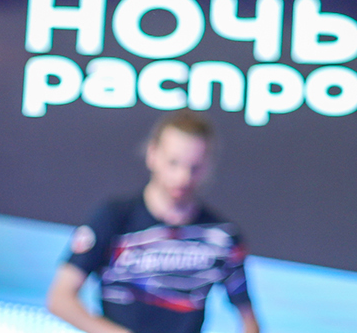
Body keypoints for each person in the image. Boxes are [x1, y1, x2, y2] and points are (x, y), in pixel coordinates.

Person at [48, 110, 259, 333]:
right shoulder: (114, 217)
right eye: (173, 163)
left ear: (208, 166)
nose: (183, 177)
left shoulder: (221, 236)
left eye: (195, 167)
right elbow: (60, 298)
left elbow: (249, 322)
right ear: (152, 154)